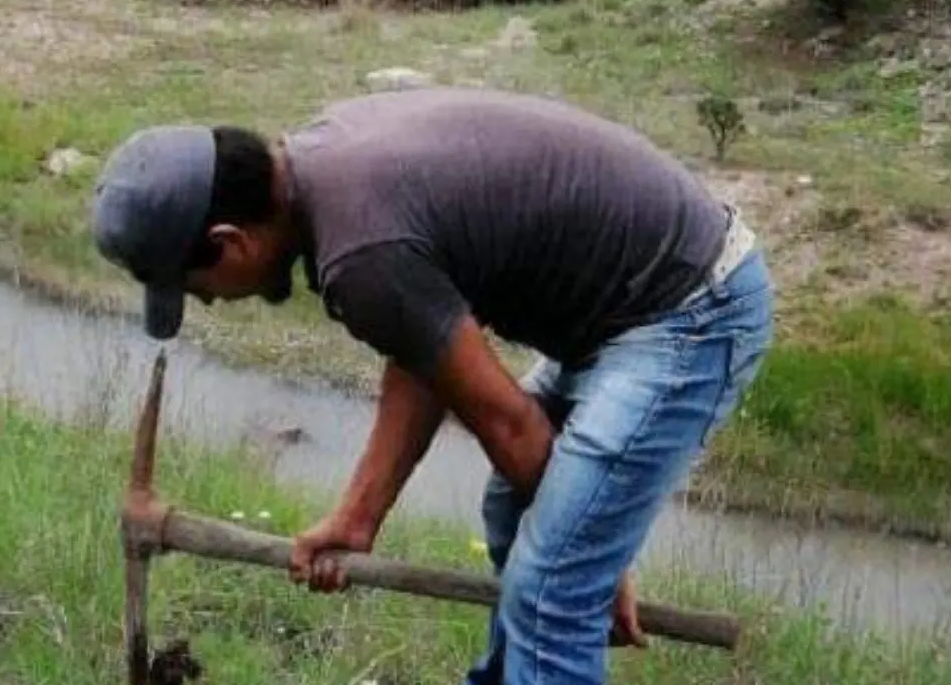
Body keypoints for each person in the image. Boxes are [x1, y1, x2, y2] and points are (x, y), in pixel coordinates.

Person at [88, 86, 773, 685]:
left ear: (231, 242)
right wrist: (360, 516)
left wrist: (591, 557)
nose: (207, 303)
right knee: (518, 521)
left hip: (688, 311)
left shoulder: (359, 251)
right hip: (625, 306)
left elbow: (512, 427)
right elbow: (423, 349)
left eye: (194, 287)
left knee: (551, 592)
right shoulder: (325, 159)